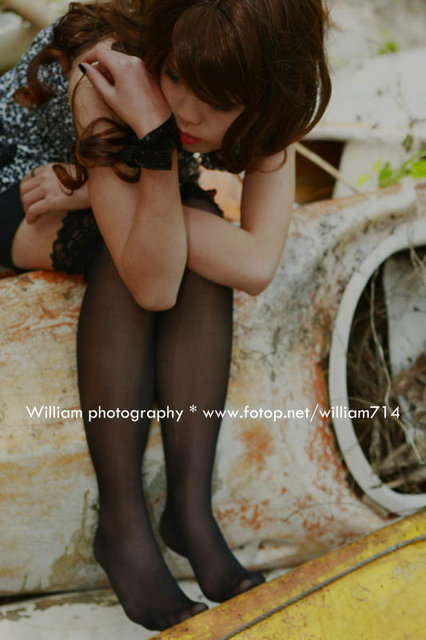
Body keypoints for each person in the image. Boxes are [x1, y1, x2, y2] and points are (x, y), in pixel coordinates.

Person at [0, 0, 331, 631]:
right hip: (20, 182)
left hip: (112, 178)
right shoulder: (108, 66)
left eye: (217, 100)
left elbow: (256, 262)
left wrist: (108, 184)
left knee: (184, 244)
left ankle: (189, 510)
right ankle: (122, 521)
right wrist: (150, 139)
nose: (187, 111)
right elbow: (150, 285)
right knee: (136, 258)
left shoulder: (269, 79)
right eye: (175, 77)